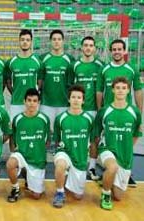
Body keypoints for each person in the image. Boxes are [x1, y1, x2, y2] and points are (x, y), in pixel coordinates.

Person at [96, 39, 143, 187]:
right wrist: (99, 109)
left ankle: (125, 172)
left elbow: (138, 91)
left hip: (125, 113)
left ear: (124, 51)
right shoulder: (104, 69)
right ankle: (106, 170)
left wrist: (139, 113)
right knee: (107, 143)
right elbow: (99, 91)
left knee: (126, 142)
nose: (117, 51)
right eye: (114, 49)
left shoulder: (132, 69)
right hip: (109, 112)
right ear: (111, 51)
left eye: (119, 49)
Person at [95, 77, 142, 210]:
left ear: (128, 91)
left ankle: (107, 179)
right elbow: (97, 134)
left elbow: (136, 134)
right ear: (113, 90)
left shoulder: (135, 112)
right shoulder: (105, 111)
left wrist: (127, 148)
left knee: (119, 196)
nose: (120, 91)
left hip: (125, 155)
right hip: (107, 148)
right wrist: (99, 149)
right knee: (112, 167)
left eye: (123, 88)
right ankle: (105, 194)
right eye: (118, 88)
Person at [52, 84, 94, 208]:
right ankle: (59, 192)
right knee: (60, 165)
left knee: (77, 197)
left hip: (80, 157)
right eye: (73, 97)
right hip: (64, 152)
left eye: (79, 97)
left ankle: (68, 177)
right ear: (69, 99)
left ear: (83, 100)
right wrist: (60, 152)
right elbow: (57, 140)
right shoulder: (61, 118)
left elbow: (92, 142)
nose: (76, 100)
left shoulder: (89, 119)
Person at [69, 36, 103, 181]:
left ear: (94, 48)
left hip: (93, 109)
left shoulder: (101, 65)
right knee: (74, 137)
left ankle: (92, 167)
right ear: (81, 48)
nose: (88, 48)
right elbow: (70, 87)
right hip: (77, 109)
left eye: (91, 45)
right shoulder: (74, 65)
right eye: (86, 45)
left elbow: (102, 89)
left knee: (94, 139)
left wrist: (100, 108)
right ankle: (71, 165)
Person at [6, 88, 50, 202]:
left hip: (37, 160)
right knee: (11, 163)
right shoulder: (18, 119)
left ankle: (29, 178)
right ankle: (15, 188)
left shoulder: (44, 119)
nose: (31, 103)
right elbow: (12, 138)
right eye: (29, 100)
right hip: (22, 155)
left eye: (35, 101)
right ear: (24, 101)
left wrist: (40, 154)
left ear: (39, 103)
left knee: (36, 196)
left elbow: (47, 142)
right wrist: (13, 153)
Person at [39, 29, 75, 131]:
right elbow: (39, 80)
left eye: (59, 39)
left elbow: (72, 83)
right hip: (46, 103)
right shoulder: (42, 58)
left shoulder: (70, 59)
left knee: (63, 133)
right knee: (46, 134)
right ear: (50, 41)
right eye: (54, 39)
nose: (56, 41)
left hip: (64, 103)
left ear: (63, 41)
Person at [6, 29, 42, 120]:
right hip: (16, 103)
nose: (25, 42)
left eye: (27, 40)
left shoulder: (38, 61)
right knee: (15, 130)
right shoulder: (11, 62)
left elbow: (41, 81)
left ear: (31, 42)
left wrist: (35, 95)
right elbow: (8, 82)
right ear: (19, 41)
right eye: (22, 40)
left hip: (32, 103)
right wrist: (15, 93)